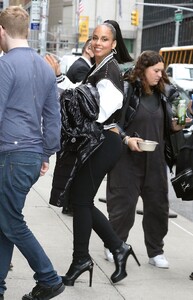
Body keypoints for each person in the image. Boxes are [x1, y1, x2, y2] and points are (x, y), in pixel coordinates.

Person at [50, 22, 140, 287]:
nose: (98, 42)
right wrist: (59, 79)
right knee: (81, 200)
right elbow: (81, 92)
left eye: (104, 39)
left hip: (105, 143)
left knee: (80, 199)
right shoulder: (100, 68)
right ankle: (113, 249)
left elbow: (97, 112)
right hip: (100, 142)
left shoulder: (111, 71)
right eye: (95, 38)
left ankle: (86, 257)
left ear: (114, 44)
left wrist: (64, 88)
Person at [0, 6, 65, 300]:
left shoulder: (5, 65)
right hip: (29, 155)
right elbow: (54, 119)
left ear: (2, 31)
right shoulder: (44, 67)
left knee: (11, 221)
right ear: (26, 31)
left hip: (10, 155)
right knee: (5, 220)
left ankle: (48, 278)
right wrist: (46, 154)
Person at [106, 50, 182, 269]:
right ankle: (115, 244)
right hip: (126, 159)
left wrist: (180, 123)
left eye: (162, 71)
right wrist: (126, 138)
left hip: (156, 160)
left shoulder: (164, 94)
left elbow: (169, 128)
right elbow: (111, 122)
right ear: (144, 69)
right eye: (156, 71)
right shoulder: (128, 88)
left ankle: (155, 250)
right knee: (123, 205)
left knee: (158, 207)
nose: (160, 75)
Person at [45, 39, 95, 216]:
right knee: (70, 168)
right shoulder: (83, 67)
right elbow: (77, 96)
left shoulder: (83, 66)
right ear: (89, 49)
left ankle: (69, 202)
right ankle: (69, 203)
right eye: (95, 42)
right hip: (74, 128)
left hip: (70, 128)